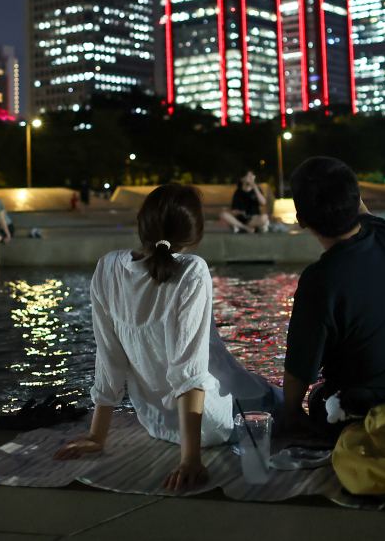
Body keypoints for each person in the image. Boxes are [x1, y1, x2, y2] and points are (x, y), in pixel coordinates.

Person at [53, 183, 279, 490]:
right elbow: (190, 373)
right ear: (196, 235)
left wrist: (97, 436)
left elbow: (109, 360)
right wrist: (190, 460)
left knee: (258, 386)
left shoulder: (108, 268)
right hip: (214, 422)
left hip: (156, 423)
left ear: (141, 225)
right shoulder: (191, 271)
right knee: (278, 398)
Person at [280, 156, 385, 440]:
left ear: (300, 221)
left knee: (319, 398)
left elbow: (299, 372)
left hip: (381, 423)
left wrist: (290, 416)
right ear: (357, 198)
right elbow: (361, 211)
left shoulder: (319, 280)